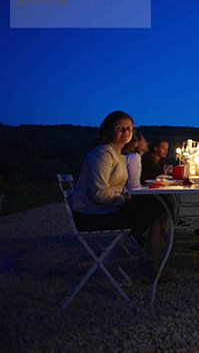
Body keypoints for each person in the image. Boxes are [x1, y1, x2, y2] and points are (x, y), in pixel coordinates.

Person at [70, 111, 168, 279]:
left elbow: (114, 187)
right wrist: (124, 201)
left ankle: (149, 257)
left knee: (157, 207)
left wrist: (124, 195)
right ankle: (150, 265)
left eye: (129, 129)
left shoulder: (118, 154)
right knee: (157, 210)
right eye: (120, 128)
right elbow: (99, 193)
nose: (126, 133)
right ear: (109, 131)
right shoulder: (103, 154)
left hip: (102, 208)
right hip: (90, 214)